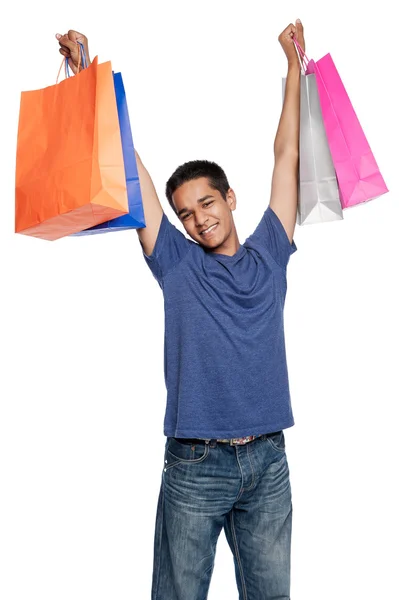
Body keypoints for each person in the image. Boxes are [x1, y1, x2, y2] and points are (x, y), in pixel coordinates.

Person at [56, 20, 305, 599]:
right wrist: (92, 76)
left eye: (207, 203)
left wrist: (293, 70)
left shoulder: (271, 250)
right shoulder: (176, 263)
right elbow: (129, 173)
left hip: (269, 463)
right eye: (186, 213)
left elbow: (287, 152)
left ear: (230, 198)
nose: (199, 219)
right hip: (196, 466)